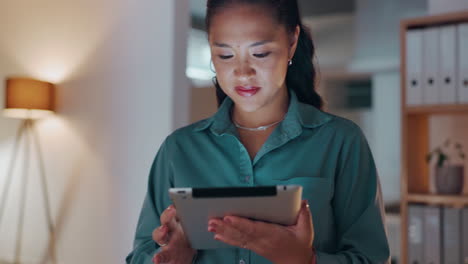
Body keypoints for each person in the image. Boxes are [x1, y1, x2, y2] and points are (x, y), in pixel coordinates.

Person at [126, 0, 390, 263]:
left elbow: (373, 258)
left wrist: (305, 260)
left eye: (260, 53)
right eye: (225, 55)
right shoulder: (178, 150)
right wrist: (171, 257)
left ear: (292, 42)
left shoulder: (341, 142)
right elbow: (140, 255)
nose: (242, 73)